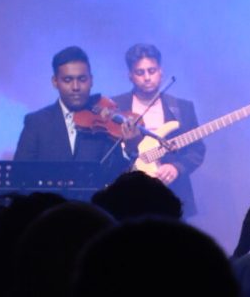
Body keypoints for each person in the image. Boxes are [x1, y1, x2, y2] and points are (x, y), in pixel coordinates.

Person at [111, 43, 206, 218]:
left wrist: (176, 167)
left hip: (172, 196)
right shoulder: (115, 107)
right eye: (140, 72)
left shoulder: (181, 107)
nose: (147, 77)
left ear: (161, 72)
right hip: (129, 197)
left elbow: (197, 150)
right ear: (130, 76)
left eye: (152, 71)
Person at [14, 47, 111, 163]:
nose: (76, 87)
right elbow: (20, 175)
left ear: (91, 80)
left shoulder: (102, 125)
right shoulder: (36, 123)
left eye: (82, 79)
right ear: (55, 82)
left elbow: (117, 173)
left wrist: (130, 146)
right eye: (67, 80)